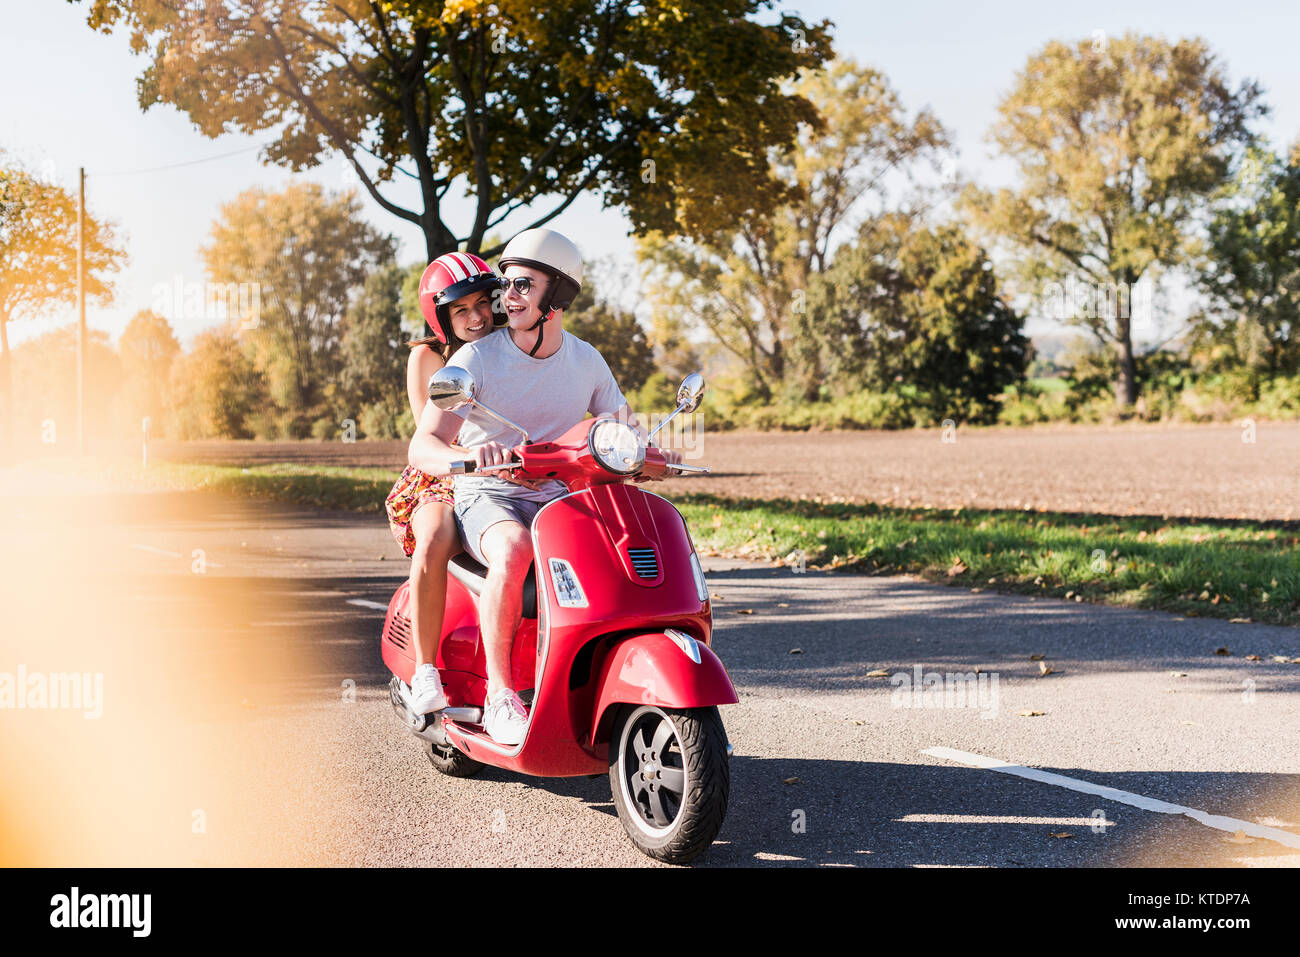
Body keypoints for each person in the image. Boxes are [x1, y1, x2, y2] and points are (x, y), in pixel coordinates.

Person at [407, 228, 679, 745]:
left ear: (558, 295)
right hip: (489, 494)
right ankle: (502, 695)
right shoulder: (476, 359)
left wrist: (648, 452)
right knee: (512, 549)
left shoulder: (586, 359)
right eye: (504, 284)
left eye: (523, 286)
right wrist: (470, 456)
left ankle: (593, 678)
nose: (506, 297)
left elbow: (621, 424)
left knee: (617, 549)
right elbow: (424, 447)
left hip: (558, 492)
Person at [384, 251, 502, 714]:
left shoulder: (507, 342)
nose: (476, 317)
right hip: (447, 473)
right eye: (460, 310)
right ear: (441, 316)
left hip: (509, 469)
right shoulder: (427, 356)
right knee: (436, 534)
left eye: (481, 304)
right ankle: (427, 671)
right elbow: (428, 434)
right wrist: (474, 457)